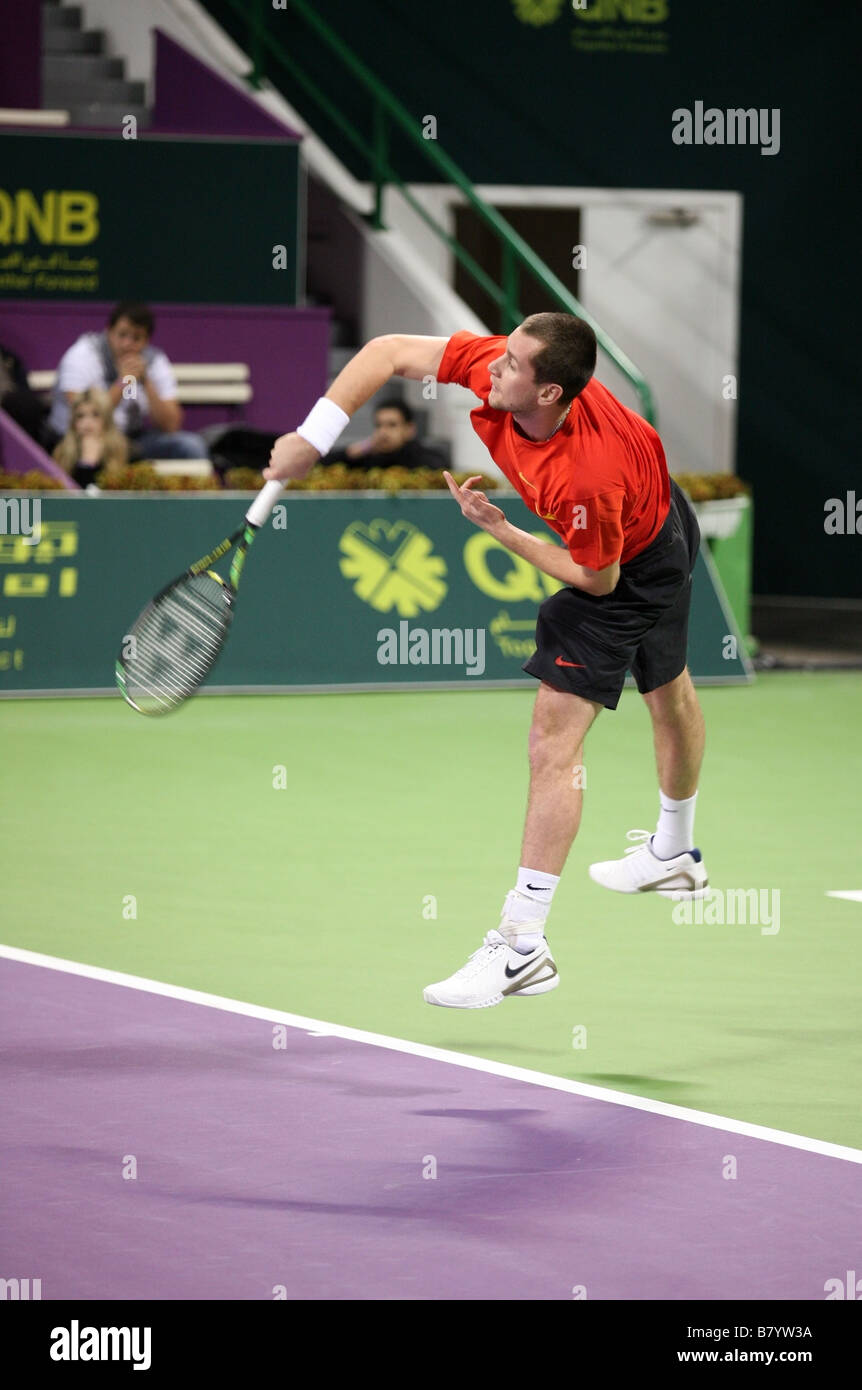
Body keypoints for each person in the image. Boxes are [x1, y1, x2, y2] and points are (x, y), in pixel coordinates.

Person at [263, 314, 707, 1009]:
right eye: (500, 355)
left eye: (513, 365)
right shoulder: (508, 373)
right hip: (661, 516)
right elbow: (387, 352)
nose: (494, 367)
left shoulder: (585, 475)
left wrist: (503, 532)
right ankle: (674, 851)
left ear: (551, 393)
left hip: (627, 565)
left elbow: (599, 582)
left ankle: (523, 945)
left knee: (552, 743)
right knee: (667, 687)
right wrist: (312, 439)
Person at [47, 302, 207, 460]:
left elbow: (171, 426)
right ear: (109, 331)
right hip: (79, 439)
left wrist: (146, 382)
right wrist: (123, 381)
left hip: (130, 439)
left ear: (147, 341)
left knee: (190, 446)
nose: (127, 344)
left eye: (136, 338)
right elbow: (85, 418)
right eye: (122, 335)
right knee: (99, 449)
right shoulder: (82, 355)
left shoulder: (154, 360)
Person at [325, 399, 447, 470]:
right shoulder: (368, 458)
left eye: (392, 425)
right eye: (379, 425)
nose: (383, 432)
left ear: (410, 429)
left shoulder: (427, 458)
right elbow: (321, 464)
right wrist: (350, 453)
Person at [52, 388, 128, 488]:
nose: (87, 423)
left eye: (95, 415)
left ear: (107, 420)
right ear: (73, 423)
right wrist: (85, 463)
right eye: (80, 416)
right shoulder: (61, 453)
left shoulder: (125, 451)